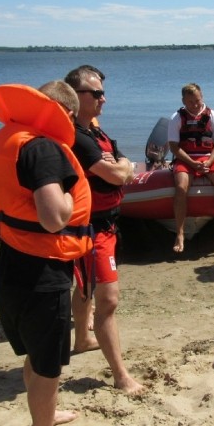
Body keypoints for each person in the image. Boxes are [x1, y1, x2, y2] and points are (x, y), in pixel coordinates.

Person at [0, 80, 92, 426]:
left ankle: (45, 415)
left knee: (35, 352)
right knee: (47, 365)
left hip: (11, 261)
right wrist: (66, 193)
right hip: (42, 271)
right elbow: (54, 218)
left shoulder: (5, 139)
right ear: (68, 115)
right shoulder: (42, 147)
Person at [64, 65, 145, 395]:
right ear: (74, 96)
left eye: (103, 93)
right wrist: (120, 170)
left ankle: (82, 338)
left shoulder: (95, 132)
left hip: (106, 224)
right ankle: (121, 376)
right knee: (108, 301)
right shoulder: (76, 137)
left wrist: (121, 168)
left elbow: (127, 164)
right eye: (95, 94)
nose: (103, 99)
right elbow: (116, 174)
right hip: (90, 229)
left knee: (87, 285)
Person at [167, 83, 214, 252]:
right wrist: (192, 163)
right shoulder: (176, 118)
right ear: (184, 101)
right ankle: (180, 233)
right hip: (186, 158)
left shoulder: (213, 115)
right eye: (191, 102)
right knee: (181, 187)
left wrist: (209, 162)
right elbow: (174, 147)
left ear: (202, 97)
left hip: (207, 157)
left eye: (197, 100)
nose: (195, 105)